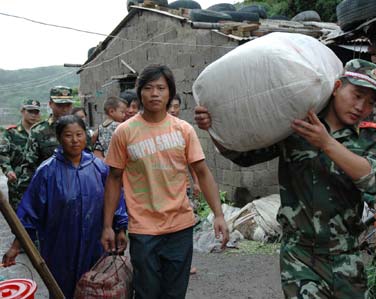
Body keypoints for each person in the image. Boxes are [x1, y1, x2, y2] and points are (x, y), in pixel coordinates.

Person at [194, 59, 376, 298]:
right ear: (338, 86)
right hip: (300, 255)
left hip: (346, 254)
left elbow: (373, 179)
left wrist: (327, 143)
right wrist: (213, 128)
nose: (361, 107)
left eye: (370, 102)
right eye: (357, 95)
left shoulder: (370, 137)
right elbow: (243, 155)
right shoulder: (296, 125)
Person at [101, 64, 229, 299]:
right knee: (147, 292)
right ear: (140, 93)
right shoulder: (125, 132)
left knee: (174, 293)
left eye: (161, 88)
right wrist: (108, 225)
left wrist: (218, 215)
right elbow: (114, 179)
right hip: (143, 229)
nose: (155, 93)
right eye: (148, 88)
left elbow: (202, 172)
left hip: (179, 226)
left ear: (170, 93)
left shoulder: (183, 130)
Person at [2, 115, 128, 299]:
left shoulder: (99, 168)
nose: (75, 140)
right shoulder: (47, 171)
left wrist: (121, 228)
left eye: (79, 134)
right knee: (62, 290)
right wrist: (15, 247)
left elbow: (116, 200)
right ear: (59, 138)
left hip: (96, 243)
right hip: (59, 247)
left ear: (86, 135)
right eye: (68, 135)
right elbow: (30, 214)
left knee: (95, 289)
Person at [18, 86, 75, 191]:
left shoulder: (80, 129)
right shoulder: (38, 131)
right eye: (59, 104)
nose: (64, 108)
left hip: (76, 188)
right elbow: (29, 166)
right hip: (48, 189)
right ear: (50, 104)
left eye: (68, 104)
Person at [168, 93, 200, 275]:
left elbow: (192, 161)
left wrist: (196, 182)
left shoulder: (184, 130)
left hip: (183, 187)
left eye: (177, 106)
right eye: (171, 106)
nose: (173, 110)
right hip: (162, 190)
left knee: (184, 226)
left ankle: (185, 264)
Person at [0, 99, 41, 210]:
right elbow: (3, 154)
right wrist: (8, 170)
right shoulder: (11, 133)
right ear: (22, 111)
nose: (33, 115)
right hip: (18, 183)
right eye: (30, 111)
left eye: (36, 112)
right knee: (19, 220)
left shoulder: (42, 133)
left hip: (40, 182)